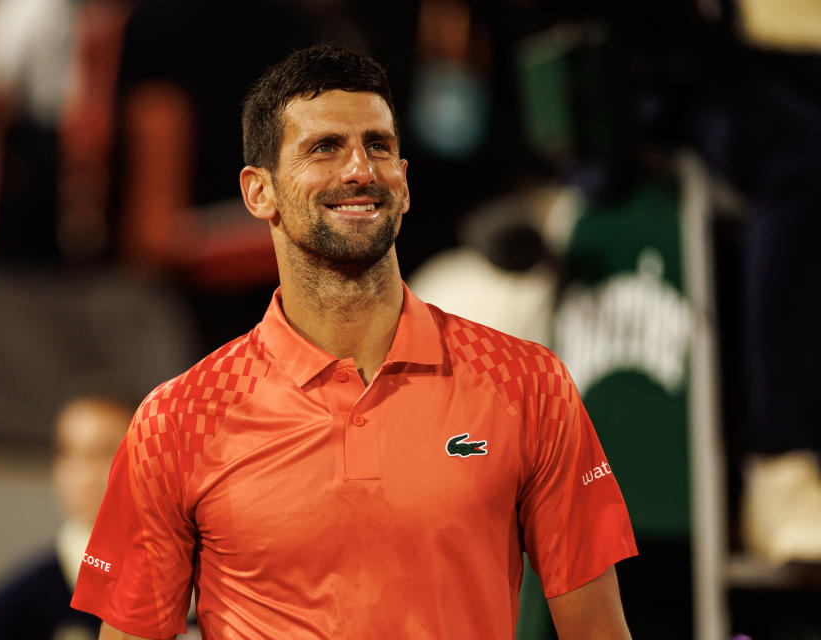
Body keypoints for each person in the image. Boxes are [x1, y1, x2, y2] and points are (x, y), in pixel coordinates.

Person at [71, 45, 637, 639]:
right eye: (324, 148)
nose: (360, 170)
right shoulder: (177, 421)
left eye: (379, 145)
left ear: (405, 182)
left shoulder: (528, 384)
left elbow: (597, 633)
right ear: (258, 191)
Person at [0, 396, 133, 640]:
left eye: (106, 452)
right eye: (66, 452)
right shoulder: (19, 603)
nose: (81, 473)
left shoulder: (192, 588)